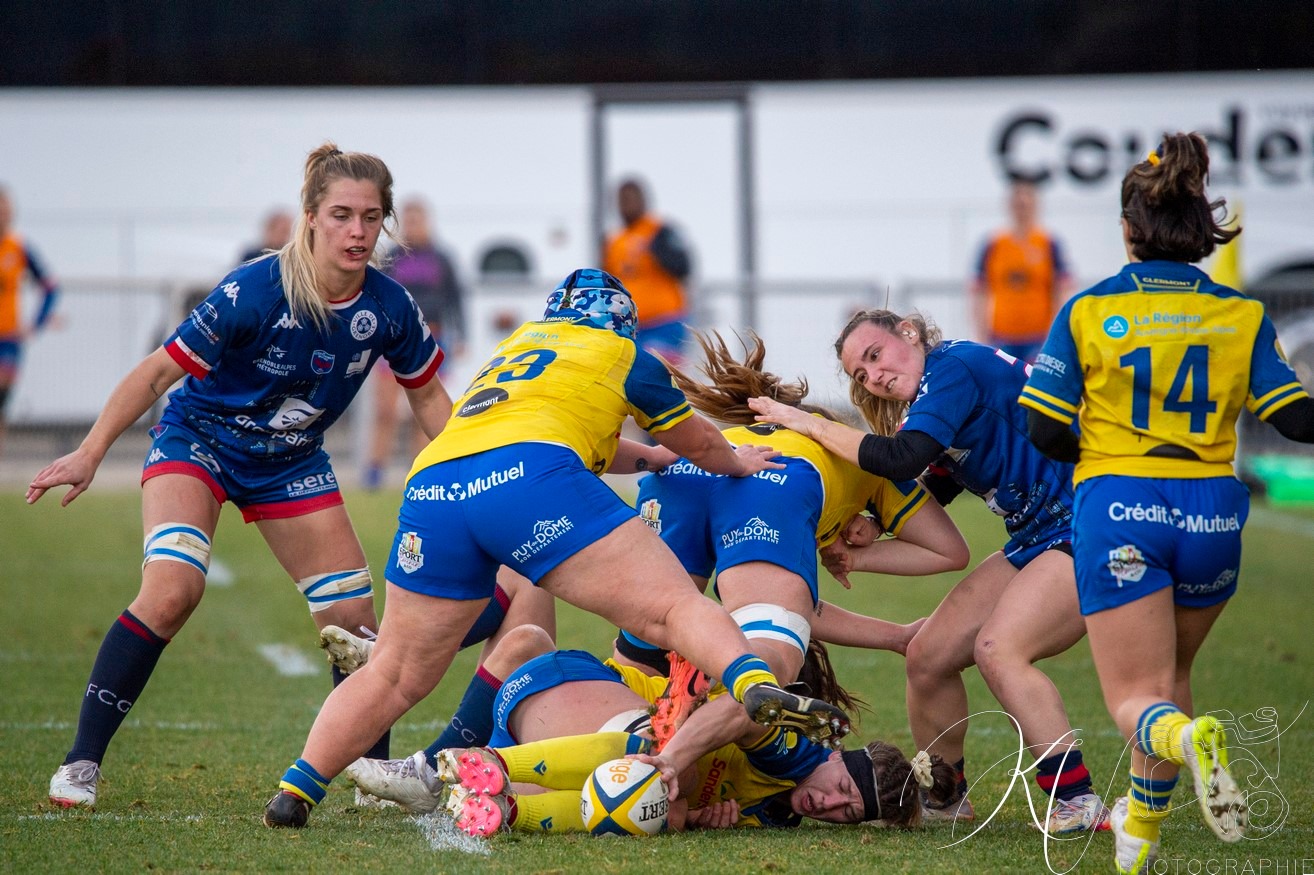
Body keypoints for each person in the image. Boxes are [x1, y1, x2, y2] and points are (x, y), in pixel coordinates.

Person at [262, 268, 850, 830]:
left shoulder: (520, 346)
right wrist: (732, 458)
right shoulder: (624, 356)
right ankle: (753, 684)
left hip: (436, 482)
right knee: (673, 607)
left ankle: (296, 789)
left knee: (393, 671)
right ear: (621, 323)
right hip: (527, 478)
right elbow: (694, 437)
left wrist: (648, 458)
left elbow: (567, 429)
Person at [31, 143, 452, 811]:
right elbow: (157, 373)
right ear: (309, 217)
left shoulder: (391, 307)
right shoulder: (253, 289)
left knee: (357, 622)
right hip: (200, 444)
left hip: (290, 461)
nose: (357, 231)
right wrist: (89, 450)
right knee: (173, 589)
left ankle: (372, 776)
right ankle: (81, 760)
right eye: (341, 214)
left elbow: (429, 399)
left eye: (371, 217)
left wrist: (475, 472)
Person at [1020, 132, 1314, 874]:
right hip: (1214, 512)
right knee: (1172, 678)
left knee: (1136, 699)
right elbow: (1297, 419)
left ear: (1128, 228)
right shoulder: (1242, 315)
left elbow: (1041, 424)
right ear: (1200, 230)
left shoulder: (1090, 310)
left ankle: (1187, 740)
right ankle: (1138, 841)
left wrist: (1096, 461)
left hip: (1122, 502)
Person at [748, 312, 1110, 835]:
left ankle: (1077, 799)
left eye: (874, 355)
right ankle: (946, 795)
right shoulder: (938, 391)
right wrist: (871, 531)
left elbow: (903, 457)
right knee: (927, 654)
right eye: (860, 374)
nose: (872, 377)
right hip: (1039, 535)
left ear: (910, 334)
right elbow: (937, 478)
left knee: (998, 651)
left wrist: (808, 422)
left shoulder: (953, 366)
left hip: (1088, 524)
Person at [617, 330, 969, 688]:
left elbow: (791, 601)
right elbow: (949, 552)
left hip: (680, 474)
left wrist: (897, 635)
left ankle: (622, 723)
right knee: (763, 663)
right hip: (774, 482)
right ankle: (711, 736)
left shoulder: (745, 433)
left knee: (644, 656)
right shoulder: (862, 455)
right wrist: (854, 557)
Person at [343, 636, 955, 834]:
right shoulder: (799, 747)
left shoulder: (779, 814)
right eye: (845, 786)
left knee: (659, 805)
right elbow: (739, 714)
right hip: (571, 696)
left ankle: (495, 804)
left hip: (565, 736)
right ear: (837, 755)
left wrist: (689, 814)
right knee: (668, 766)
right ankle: (440, 761)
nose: (832, 804)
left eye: (847, 815)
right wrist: (674, 760)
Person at [364, 197, 468, 489]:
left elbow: (456, 300)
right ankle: (374, 471)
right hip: (393, 340)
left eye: (417, 219)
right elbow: (376, 299)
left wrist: (462, 336)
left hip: (433, 338)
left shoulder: (441, 258)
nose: (413, 225)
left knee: (425, 407)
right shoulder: (391, 258)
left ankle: (420, 469)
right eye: (407, 220)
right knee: (385, 410)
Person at [972, 180, 1075, 363]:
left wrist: (1058, 333)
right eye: (1018, 205)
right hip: (1001, 335)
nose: (1022, 210)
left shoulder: (1048, 243)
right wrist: (981, 334)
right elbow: (978, 291)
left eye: (1027, 205)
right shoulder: (994, 244)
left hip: (1039, 337)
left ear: (1036, 206)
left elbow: (1063, 289)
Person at [602, 178, 693, 363]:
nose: (626, 205)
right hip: (630, 326)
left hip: (664, 322)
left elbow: (683, 267)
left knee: (656, 373)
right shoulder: (614, 240)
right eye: (622, 200)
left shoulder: (660, 231)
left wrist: (657, 250)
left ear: (643, 201)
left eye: (631, 199)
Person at [0, 185, 60, 456]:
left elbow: (50, 286)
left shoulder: (18, 248)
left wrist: (37, 322)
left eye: (7, 210)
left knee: (3, 389)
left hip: (8, 338)